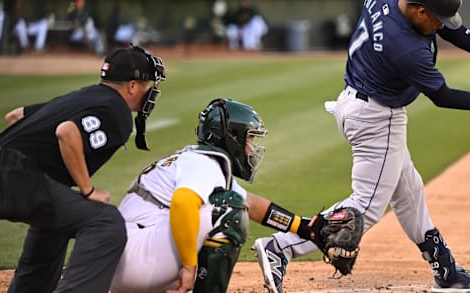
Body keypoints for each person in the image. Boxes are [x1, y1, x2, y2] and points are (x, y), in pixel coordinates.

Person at [252, 0, 470, 293]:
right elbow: (443, 97)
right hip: (377, 119)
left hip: (357, 103)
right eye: (437, 20)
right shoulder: (405, 49)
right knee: (366, 208)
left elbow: (452, 29)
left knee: (409, 192)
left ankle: (446, 271)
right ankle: (280, 247)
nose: (442, 27)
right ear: (420, 11)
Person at [0, 45, 166, 293]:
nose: (149, 91)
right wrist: (88, 190)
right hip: (6, 176)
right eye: (147, 85)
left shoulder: (83, 95)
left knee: (57, 222)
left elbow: (15, 116)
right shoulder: (117, 111)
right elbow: (67, 132)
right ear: (132, 86)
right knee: (106, 223)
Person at [110, 98, 330, 293]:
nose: (251, 147)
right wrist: (189, 267)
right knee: (227, 211)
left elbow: (252, 205)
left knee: (231, 204)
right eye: (249, 138)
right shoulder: (204, 165)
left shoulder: (197, 160)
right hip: (139, 261)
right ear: (233, 136)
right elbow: (183, 202)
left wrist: (304, 227)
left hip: (121, 260)